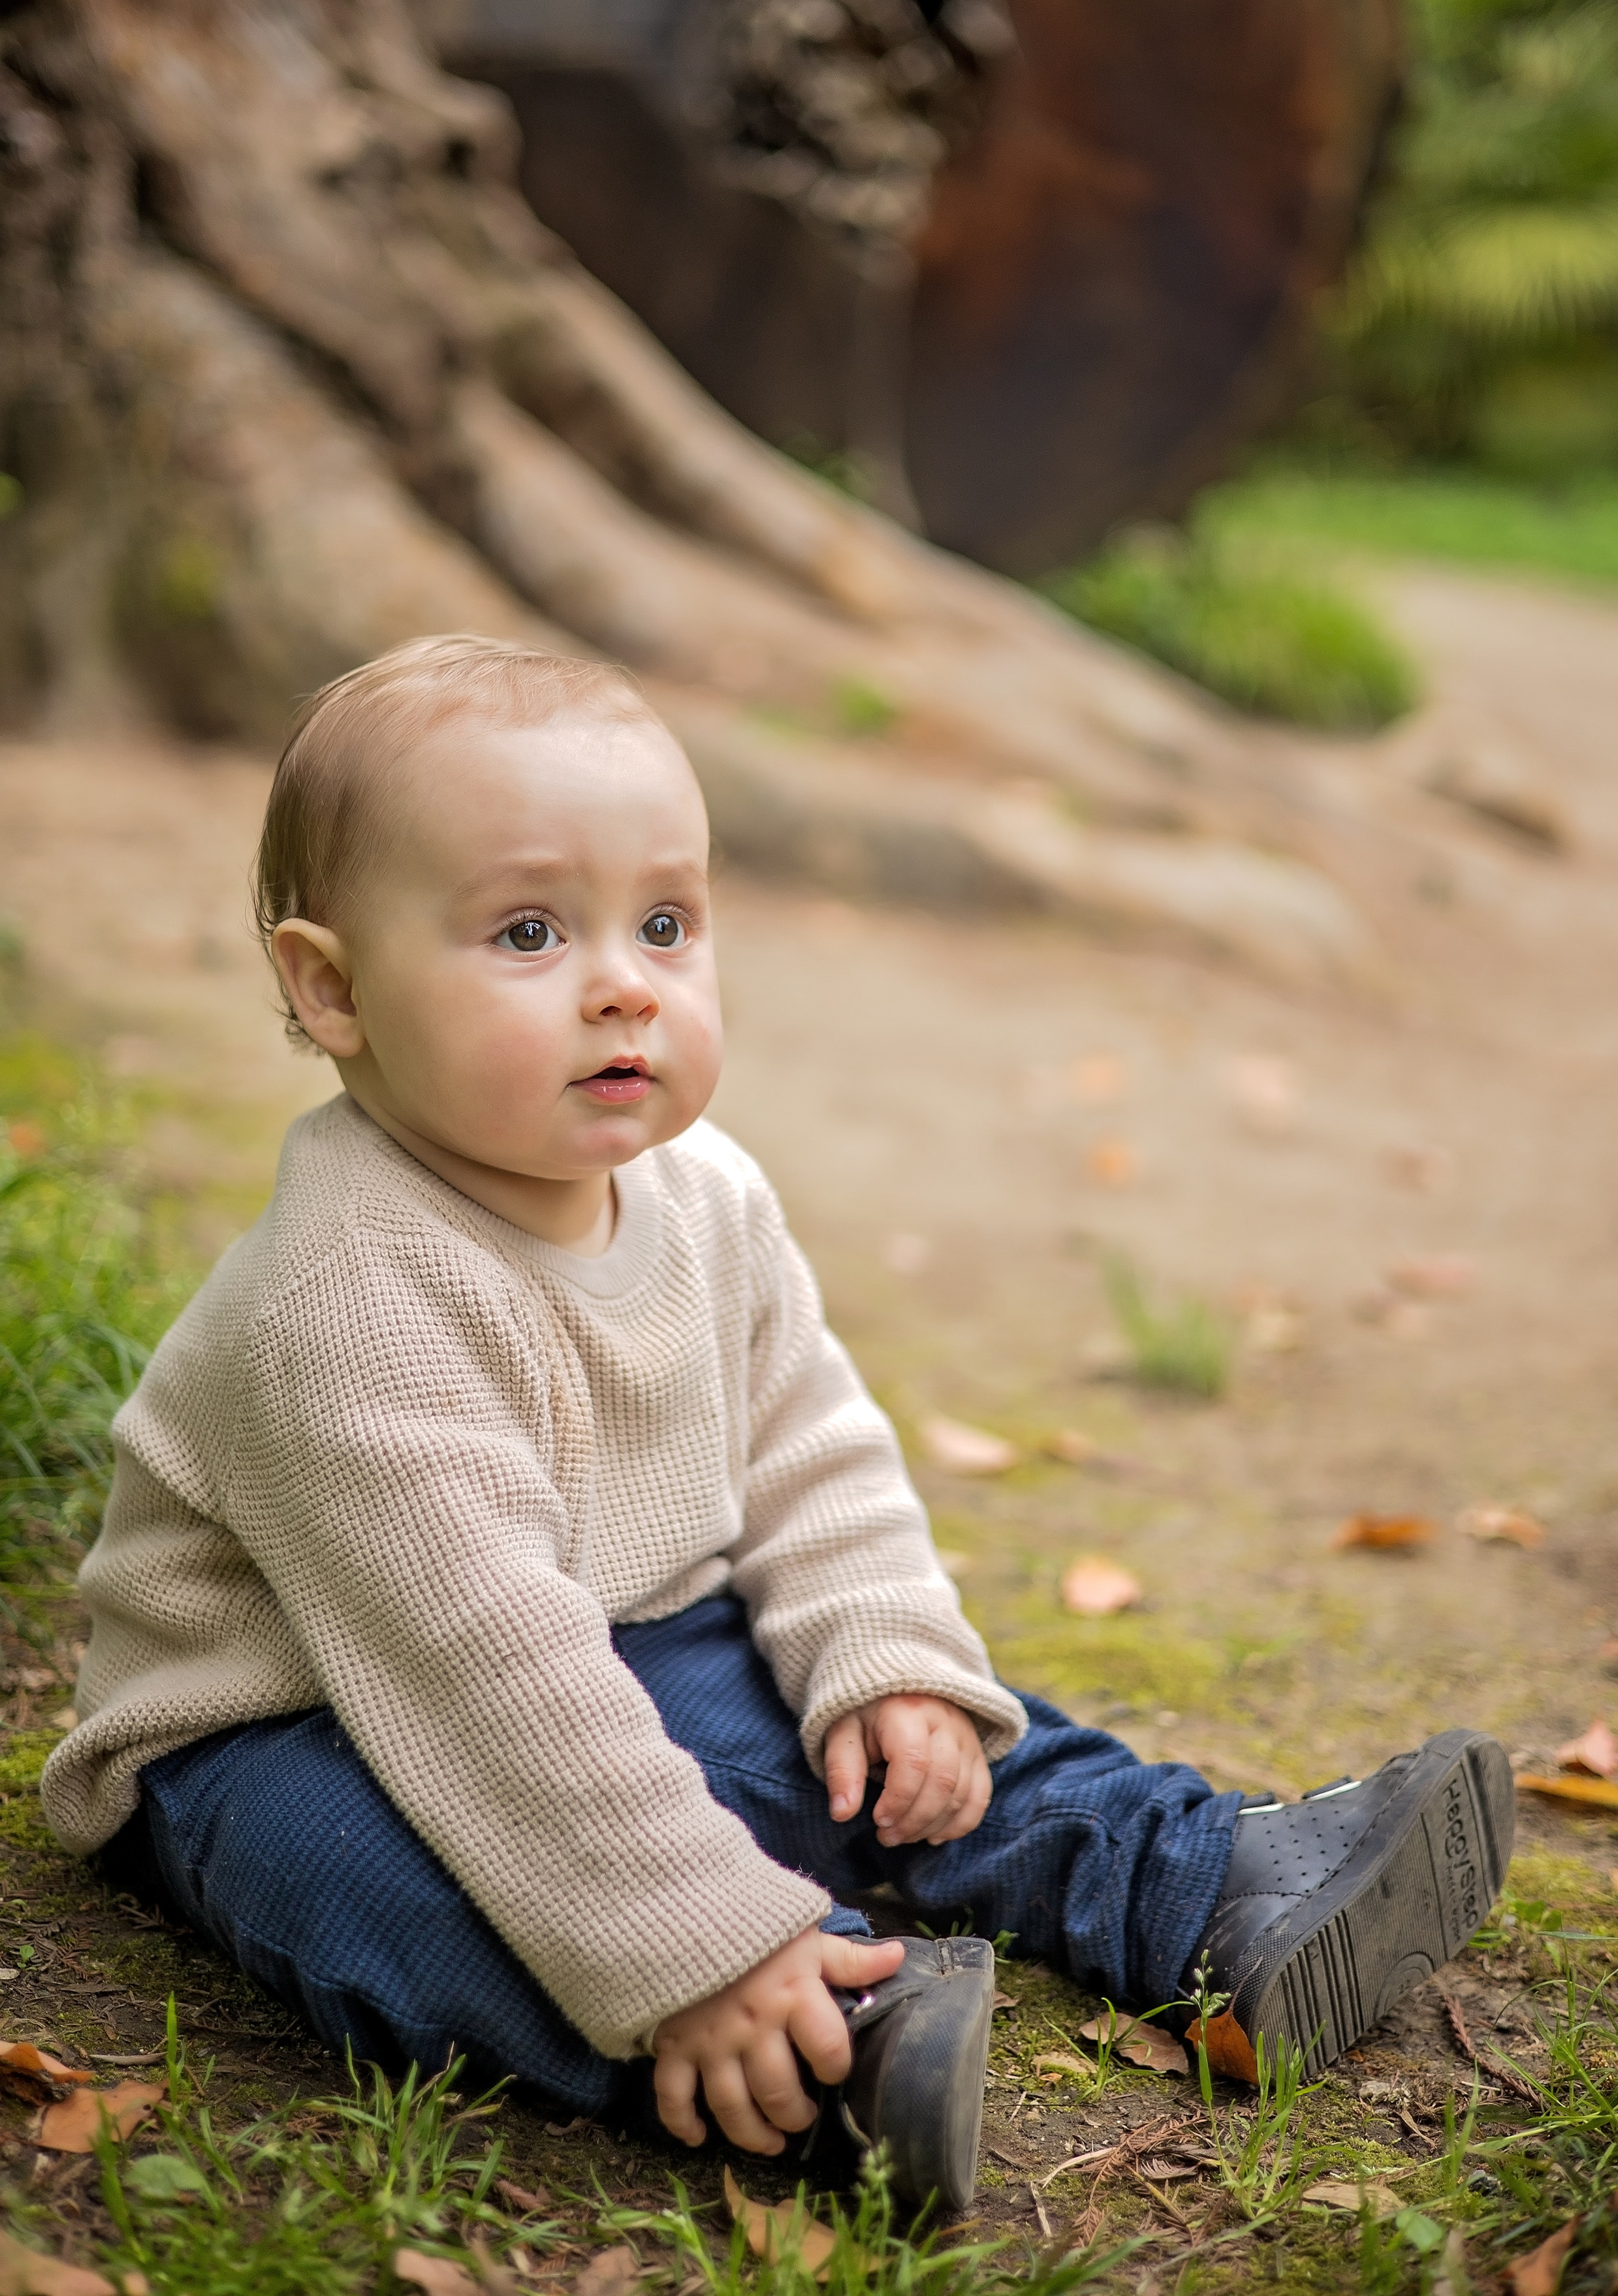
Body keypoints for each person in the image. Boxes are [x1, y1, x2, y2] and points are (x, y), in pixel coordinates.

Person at [41, 639, 1515, 2210]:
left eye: (664, 924)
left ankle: (1204, 1890)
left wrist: (881, 1659)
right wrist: (697, 1947)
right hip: (279, 1721)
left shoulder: (705, 1195)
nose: (625, 982)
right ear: (329, 988)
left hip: (615, 1636)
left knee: (877, 1740)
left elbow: (808, 1450)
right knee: (375, 1879)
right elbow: (482, 1674)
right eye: (529, 932)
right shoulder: (339, 1301)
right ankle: (812, 2060)